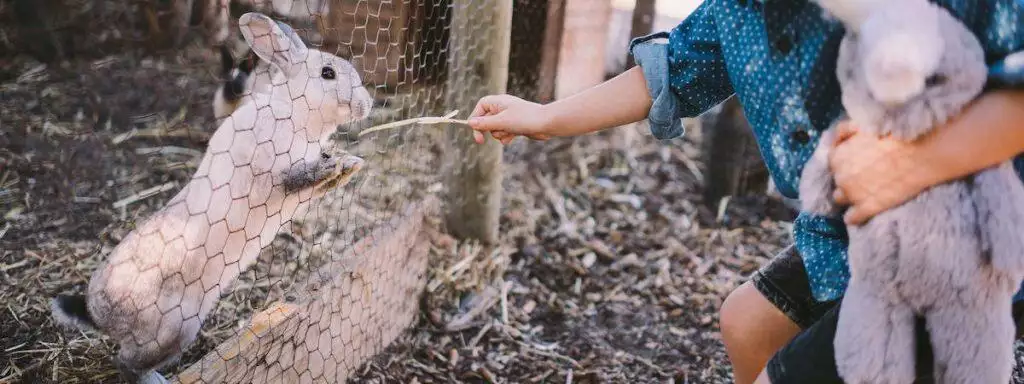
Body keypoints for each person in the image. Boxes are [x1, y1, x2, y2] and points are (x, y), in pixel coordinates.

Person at [466, 1, 1024, 383]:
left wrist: (911, 162)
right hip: (843, 242)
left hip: (952, 263)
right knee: (747, 323)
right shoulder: (735, 12)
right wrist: (544, 117)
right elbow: (666, 75)